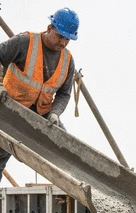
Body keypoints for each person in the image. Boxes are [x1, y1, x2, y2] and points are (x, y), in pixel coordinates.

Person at [0, 7, 79, 181]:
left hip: (42, 113)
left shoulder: (67, 60)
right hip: (9, 109)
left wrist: (55, 113)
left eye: (67, 39)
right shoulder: (24, 42)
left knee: (66, 150)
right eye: (60, 36)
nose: (63, 43)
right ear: (50, 28)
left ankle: (79, 192)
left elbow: (64, 94)